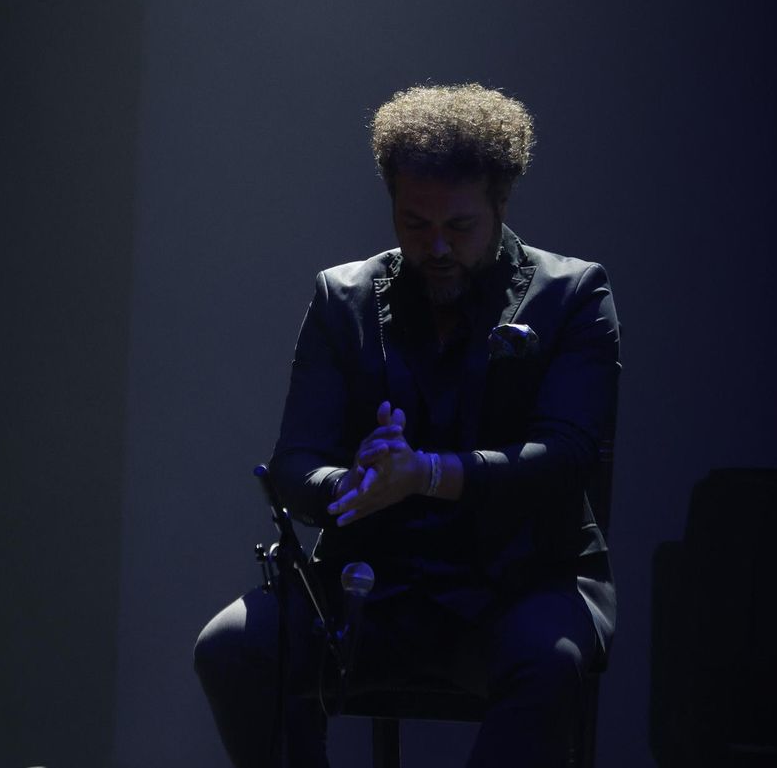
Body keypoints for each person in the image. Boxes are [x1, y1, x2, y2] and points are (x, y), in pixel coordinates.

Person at [193, 84, 619, 767]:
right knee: (231, 648)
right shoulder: (343, 298)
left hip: (518, 585)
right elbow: (295, 464)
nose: (437, 245)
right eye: (414, 223)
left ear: (501, 204)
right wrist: (354, 483)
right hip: (373, 588)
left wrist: (428, 474)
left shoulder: (570, 294)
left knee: (547, 661)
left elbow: (567, 458)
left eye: (459, 225)